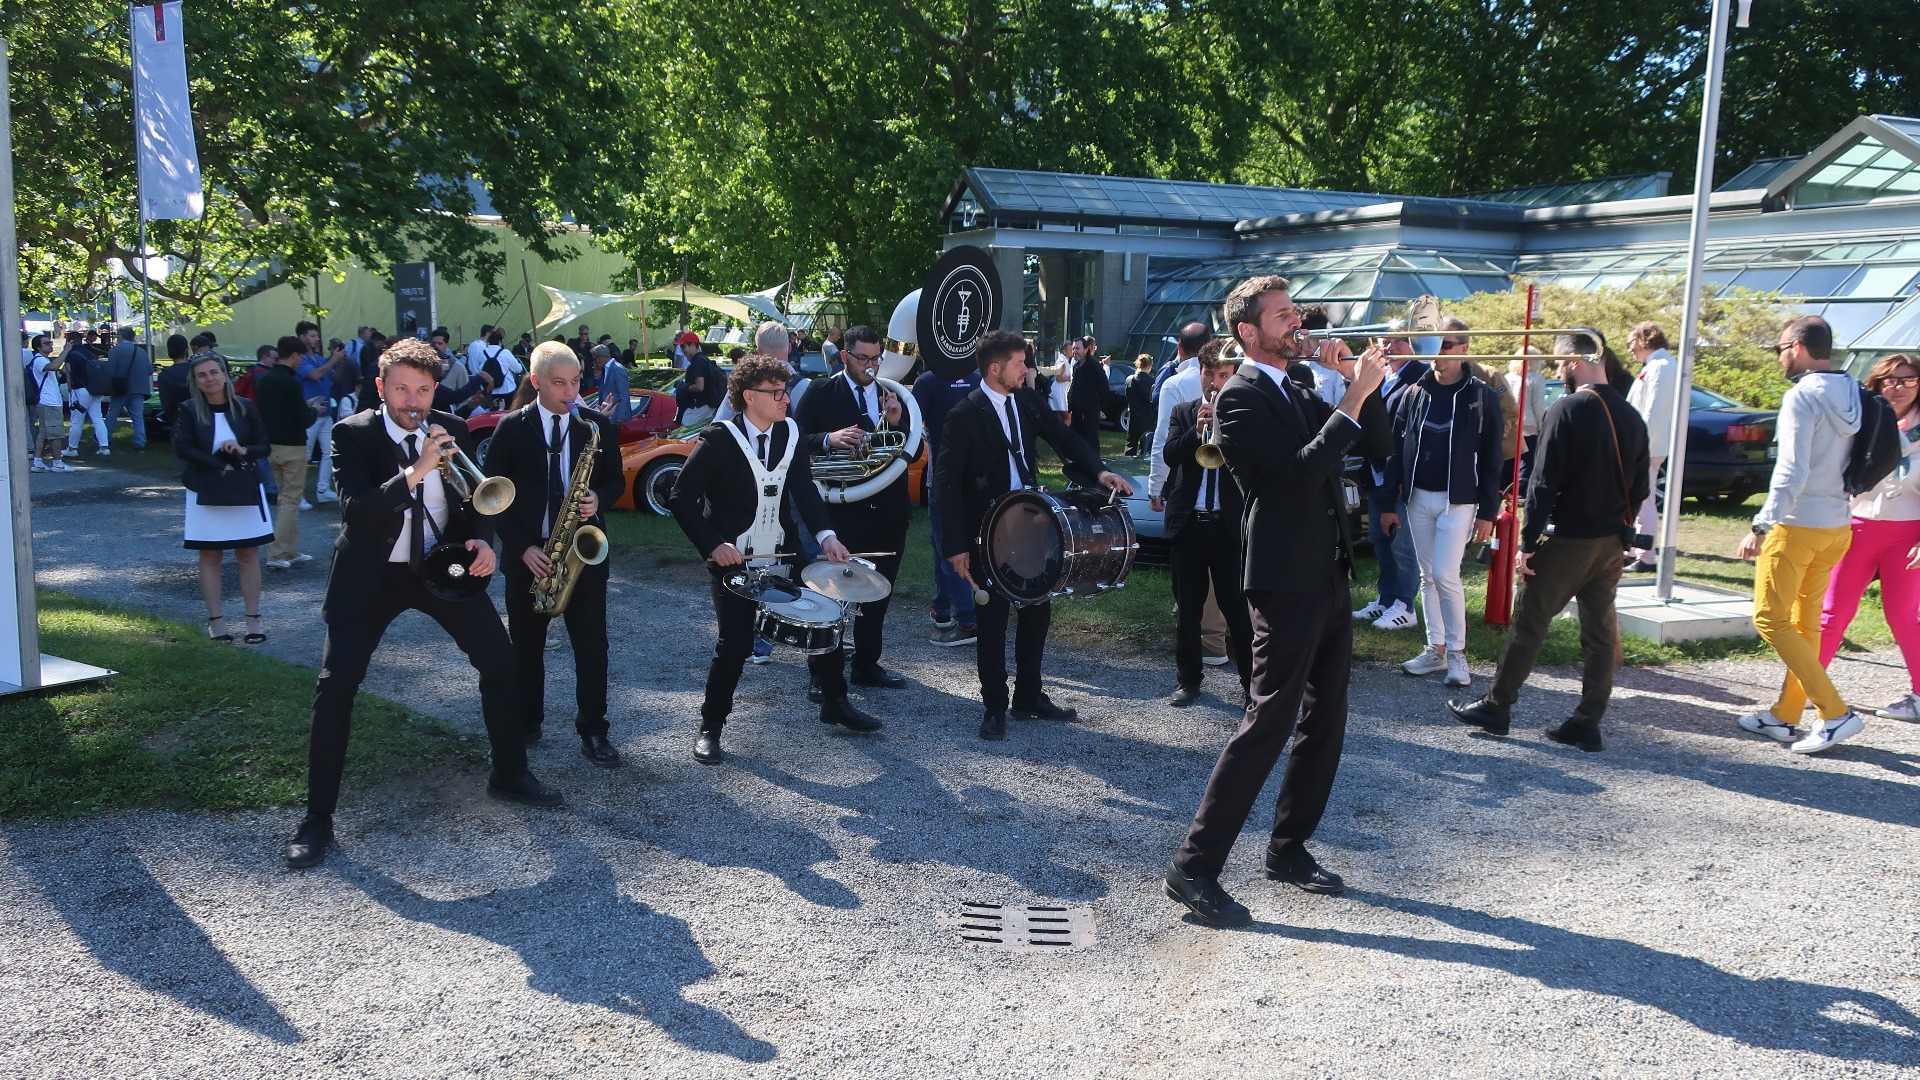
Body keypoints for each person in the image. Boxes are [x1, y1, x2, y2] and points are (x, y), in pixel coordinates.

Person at [1164, 274, 1391, 928]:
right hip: (1282, 577)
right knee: (1269, 720)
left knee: (1327, 718)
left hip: (1327, 571)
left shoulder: (1295, 386)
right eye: (1284, 316)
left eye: (1297, 313)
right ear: (1247, 332)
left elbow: (1375, 444)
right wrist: (1355, 392)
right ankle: (1194, 865)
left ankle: (1288, 848)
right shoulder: (1238, 398)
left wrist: (1352, 380)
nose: (1298, 325)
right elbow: (1297, 475)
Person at [284, 337, 557, 871]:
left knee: (501, 664)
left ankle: (509, 771)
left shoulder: (450, 428)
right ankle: (317, 817)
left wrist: (482, 539)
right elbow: (356, 512)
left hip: (439, 567)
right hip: (372, 575)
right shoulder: (352, 433)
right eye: (403, 389)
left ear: (435, 391)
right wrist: (414, 470)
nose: (413, 400)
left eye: (424, 390)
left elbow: (476, 500)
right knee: (336, 685)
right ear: (381, 387)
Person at [1448, 333, 1650, 753]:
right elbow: (1643, 485)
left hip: (1571, 539)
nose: (1558, 371)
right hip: (1611, 541)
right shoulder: (1631, 415)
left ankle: (1497, 706)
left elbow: (1543, 483)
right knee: (1599, 634)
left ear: (1576, 360)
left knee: (1529, 622)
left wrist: (1528, 541)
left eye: (1560, 363)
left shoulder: (1568, 408)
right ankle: (1587, 722)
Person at [669, 353, 870, 765]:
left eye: (785, 390)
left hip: (784, 550)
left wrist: (827, 536)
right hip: (733, 560)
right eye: (776, 392)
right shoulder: (718, 439)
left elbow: (804, 491)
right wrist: (712, 545)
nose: (785, 398)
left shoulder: (790, 433)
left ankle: (835, 701)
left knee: (826, 615)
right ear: (748, 396)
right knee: (735, 644)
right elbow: (680, 498)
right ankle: (710, 727)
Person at [934, 330, 1133, 742]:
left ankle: (1028, 696)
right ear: (995, 369)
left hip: (1032, 523)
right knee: (992, 620)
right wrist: (954, 546)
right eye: (1020, 363)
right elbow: (945, 486)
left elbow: (1064, 439)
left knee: (1036, 612)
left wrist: (1099, 471)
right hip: (985, 531)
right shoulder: (964, 415)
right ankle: (993, 706)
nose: (1028, 369)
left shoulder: (1026, 400)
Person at [484, 342, 627, 767]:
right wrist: (522, 548)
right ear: (536, 382)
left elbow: (616, 482)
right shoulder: (511, 428)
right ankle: (528, 720)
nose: (570, 391)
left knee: (592, 647)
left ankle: (594, 730)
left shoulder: (596, 426)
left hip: (582, 554)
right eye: (559, 383)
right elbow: (490, 500)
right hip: (529, 555)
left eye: (576, 381)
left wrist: (597, 499)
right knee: (526, 646)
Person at [1731, 315, 1868, 754]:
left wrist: (1761, 524)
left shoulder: (1801, 396)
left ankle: (1835, 712)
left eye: (1780, 349)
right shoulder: (1853, 390)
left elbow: (1791, 470)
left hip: (1797, 525)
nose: (1779, 357)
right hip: (1837, 526)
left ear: (1798, 346)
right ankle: (1785, 717)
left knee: (1770, 619)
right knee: (1805, 624)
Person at [1381, 339, 1506, 689]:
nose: (1438, 349)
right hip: (1418, 498)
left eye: (1447, 343)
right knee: (1428, 576)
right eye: (1432, 342)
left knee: (1445, 574)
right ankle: (1435, 649)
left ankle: (1457, 654)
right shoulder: (1415, 391)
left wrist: (1487, 512)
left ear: (1464, 347)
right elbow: (1396, 448)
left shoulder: (1481, 394)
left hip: (1460, 501)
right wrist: (1389, 503)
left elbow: (1494, 457)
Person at [794, 325, 913, 693]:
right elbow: (795, 439)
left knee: (879, 591)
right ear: (845, 356)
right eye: (863, 358)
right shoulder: (821, 390)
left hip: (888, 511)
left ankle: (866, 664)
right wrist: (829, 440)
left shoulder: (892, 394)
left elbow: (912, 450)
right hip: (843, 511)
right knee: (831, 594)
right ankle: (821, 672)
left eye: (876, 358)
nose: (871, 365)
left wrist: (896, 422)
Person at [1818, 354, 1920, 721]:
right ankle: (1805, 691)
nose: (1899, 387)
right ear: (1876, 384)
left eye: (1908, 380)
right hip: (1855, 528)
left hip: (1908, 533)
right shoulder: (1862, 422)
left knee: (1903, 616)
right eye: (1890, 380)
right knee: (1832, 614)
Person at [1161, 349, 1253, 708]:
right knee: (1188, 609)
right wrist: (1197, 431)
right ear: (1200, 372)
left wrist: (1224, 425)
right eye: (1209, 374)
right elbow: (1170, 455)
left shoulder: (1244, 418)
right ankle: (1188, 681)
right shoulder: (1182, 411)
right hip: (1189, 526)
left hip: (1228, 528)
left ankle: (1250, 685)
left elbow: (1251, 462)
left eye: (1223, 375)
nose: (1215, 383)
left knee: (1238, 612)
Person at [174, 353, 272, 646]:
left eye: (214, 372)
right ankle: (216, 621)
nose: (210, 378)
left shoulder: (245, 406)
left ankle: (252, 619)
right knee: (210, 555)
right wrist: (220, 464)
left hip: (245, 488)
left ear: (225, 374)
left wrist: (241, 450)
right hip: (206, 489)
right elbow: (183, 447)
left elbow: (263, 445)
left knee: (249, 554)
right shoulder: (188, 409)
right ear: (195, 381)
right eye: (202, 375)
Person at [1354, 338, 1428, 631]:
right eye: (1384, 342)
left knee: (1402, 545)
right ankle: (1386, 599)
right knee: (1379, 540)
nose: (1388, 347)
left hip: (1399, 475)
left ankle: (1406, 605)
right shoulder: (1384, 376)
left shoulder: (1420, 376)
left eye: (1398, 342)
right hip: (1376, 473)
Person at [912, 358, 983, 646]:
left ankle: (968, 620)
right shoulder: (978, 378)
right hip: (974, 478)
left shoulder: (927, 381)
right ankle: (942, 607)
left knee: (948, 548)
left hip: (943, 479)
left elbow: (910, 427)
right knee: (940, 542)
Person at [254, 341, 314, 570]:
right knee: (290, 500)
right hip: (292, 446)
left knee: (285, 499)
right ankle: (277, 552)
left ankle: (291, 549)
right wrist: (311, 410)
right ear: (295, 355)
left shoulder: (265, 378)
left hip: (272, 446)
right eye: (301, 356)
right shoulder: (291, 383)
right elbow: (303, 419)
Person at [1625, 322, 1680, 572]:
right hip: (1647, 443)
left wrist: (1638, 444)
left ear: (1645, 339)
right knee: (1639, 498)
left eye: (1632, 342)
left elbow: (1653, 410)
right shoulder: (1657, 365)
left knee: (1644, 499)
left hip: (1648, 445)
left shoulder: (1661, 366)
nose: (1629, 349)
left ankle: (1646, 556)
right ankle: (1637, 549)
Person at [294, 321, 341, 505]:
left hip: (325, 413)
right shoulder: (299, 359)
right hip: (309, 414)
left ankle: (323, 489)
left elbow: (333, 377)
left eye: (316, 336)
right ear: (302, 337)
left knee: (329, 452)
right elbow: (314, 375)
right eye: (312, 336)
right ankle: (298, 496)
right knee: (304, 455)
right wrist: (333, 361)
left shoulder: (320, 359)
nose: (316, 339)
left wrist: (339, 361)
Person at [26, 334, 73, 473]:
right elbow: (53, 366)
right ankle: (57, 463)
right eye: (46, 343)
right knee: (55, 433)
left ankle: (37, 462)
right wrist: (66, 350)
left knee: (44, 434)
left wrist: (63, 371)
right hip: (49, 402)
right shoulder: (39, 360)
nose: (50, 345)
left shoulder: (43, 360)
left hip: (48, 400)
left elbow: (55, 374)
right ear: (38, 346)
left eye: (50, 342)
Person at [63, 332, 110, 458]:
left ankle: (72, 448)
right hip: (95, 389)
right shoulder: (90, 353)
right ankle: (104, 447)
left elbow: (68, 373)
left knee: (77, 421)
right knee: (98, 418)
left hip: (79, 390)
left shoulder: (71, 355)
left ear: (70, 341)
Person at [104, 326, 151, 450]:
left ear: (121, 336)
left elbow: (111, 370)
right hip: (138, 389)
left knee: (112, 414)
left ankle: (106, 438)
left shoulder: (114, 351)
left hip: (121, 389)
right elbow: (150, 371)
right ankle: (140, 443)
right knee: (138, 418)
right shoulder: (141, 351)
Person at [1067, 338, 1106, 452]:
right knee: (1077, 442)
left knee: (1091, 441)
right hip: (1077, 411)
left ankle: (1094, 468)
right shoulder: (1076, 367)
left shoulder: (1095, 366)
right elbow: (1074, 387)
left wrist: (1100, 408)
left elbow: (1104, 388)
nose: (1075, 351)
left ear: (1085, 350)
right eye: (1073, 349)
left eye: (1078, 348)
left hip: (1090, 411)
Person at [1123, 354, 1155, 457]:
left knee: (1130, 445)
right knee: (1145, 446)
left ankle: (1126, 465)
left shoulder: (1129, 379)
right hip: (1147, 418)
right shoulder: (1152, 382)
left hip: (1132, 416)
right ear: (1149, 365)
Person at [594, 343, 632, 423]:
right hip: (606, 416)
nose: (594, 362)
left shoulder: (617, 368)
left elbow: (624, 394)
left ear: (603, 356)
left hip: (616, 417)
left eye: (595, 359)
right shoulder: (605, 370)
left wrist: (621, 416)